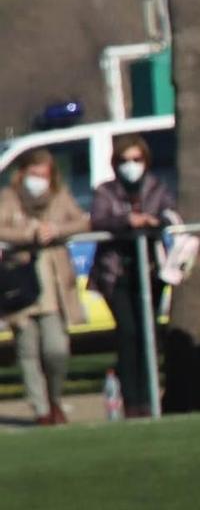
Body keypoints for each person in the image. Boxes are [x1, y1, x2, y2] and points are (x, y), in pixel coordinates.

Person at [89, 135, 176, 419]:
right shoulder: (106, 191)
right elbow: (99, 220)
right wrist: (126, 221)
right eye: (125, 160)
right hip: (117, 274)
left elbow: (171, 215)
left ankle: (150, 398)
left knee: (148, 335)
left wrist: (156, 222)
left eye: (136, 160)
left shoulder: (157, 187)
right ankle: (132, 402)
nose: (131, 166)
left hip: (150, 273)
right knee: (128, 334)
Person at [0, 150, 89, 424]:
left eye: (44, 175)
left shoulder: (60, 196)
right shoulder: (8, 198)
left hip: (53, 286)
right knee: (28, 351)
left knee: (56, 349)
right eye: (34, 174)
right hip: (20, 286)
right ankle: (41, 411)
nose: (38, 180)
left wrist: (57, 230)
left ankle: (55, 398)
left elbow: (84, 220)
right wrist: (27, 235)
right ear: (23, 173)